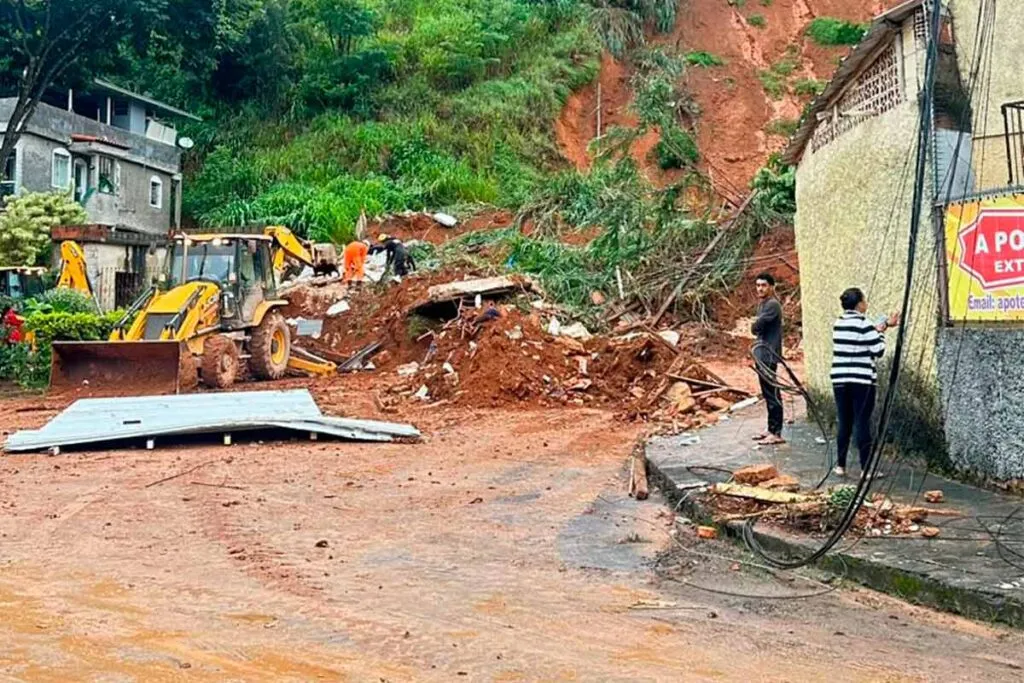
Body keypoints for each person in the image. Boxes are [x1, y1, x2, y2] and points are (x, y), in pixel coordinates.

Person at [830, 287, 900, 477]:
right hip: (861, 381)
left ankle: (840, 466)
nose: (866, 304)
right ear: (860, 304)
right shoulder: (864, 323)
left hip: (839, 379)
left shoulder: (839, 323)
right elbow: (878, 350)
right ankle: (866, 469)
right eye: (864, 300)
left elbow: (860, 338)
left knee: (844, 421)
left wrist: (881, 326)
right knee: (862, 422)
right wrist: (883, 332)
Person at [751, 272, 785, 445]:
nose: (760, 289)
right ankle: (771, 429)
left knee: (772, 394)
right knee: (767, 393)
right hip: (761, 354)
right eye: (758, 285)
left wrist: (754, 325)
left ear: (772, 287)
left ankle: (776, 433)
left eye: (763, 285)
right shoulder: (763, 304)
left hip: (768, 355)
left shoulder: (772, 305)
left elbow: (756, 327)